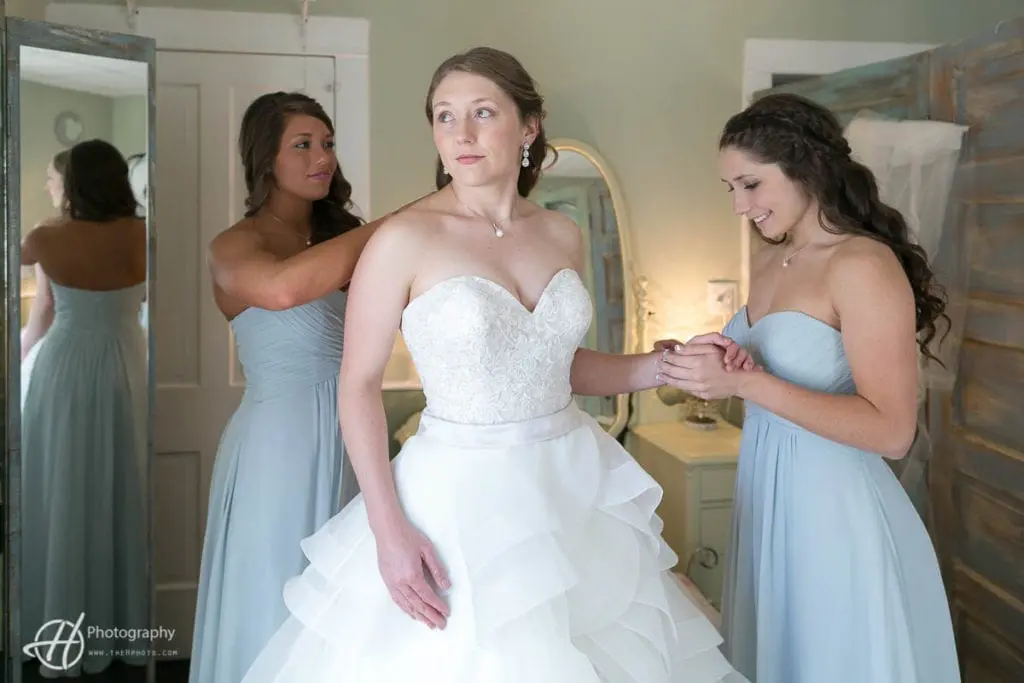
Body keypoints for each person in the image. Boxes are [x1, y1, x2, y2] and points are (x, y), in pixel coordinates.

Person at [239, 47, 751, 683]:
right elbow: (358, 385)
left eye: (482, 112)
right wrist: (388, 530)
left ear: (529, 127)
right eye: (445, 116)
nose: (462, 133)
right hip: (460, 499)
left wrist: (664, 364)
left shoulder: (562, 234)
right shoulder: (402, 239)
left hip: (572, 487)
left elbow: (558, 368)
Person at [655, 93, 960, 683]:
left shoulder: (863, 265)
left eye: (751, 185)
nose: (741, 207)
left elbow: (894, 432)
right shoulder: (773, 263)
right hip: (766, 498)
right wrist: (718, 360)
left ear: (806, 169)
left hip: (834, 511)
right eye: (731, 191)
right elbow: (758, 372)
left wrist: (750, 383)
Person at [189, 91, 418, 683]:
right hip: (278, 446)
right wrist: (407, 220)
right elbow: (286, 290)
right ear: (267, 158)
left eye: (328, 143)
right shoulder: (235, 246)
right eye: (304, 144)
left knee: (356, 597)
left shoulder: (347, 239)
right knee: (279, 593)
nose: (323, 157)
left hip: (357, 437)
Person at [20, 140, 149, 676]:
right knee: (122, 487)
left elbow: (43, 312)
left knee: (64, 487)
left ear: (73, 184)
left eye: (58, 179)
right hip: (127, 361)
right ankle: (121, 627)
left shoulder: (47, 237)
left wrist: (20, 356)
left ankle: (59, 628)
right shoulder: (144, 233)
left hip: (68, 367)